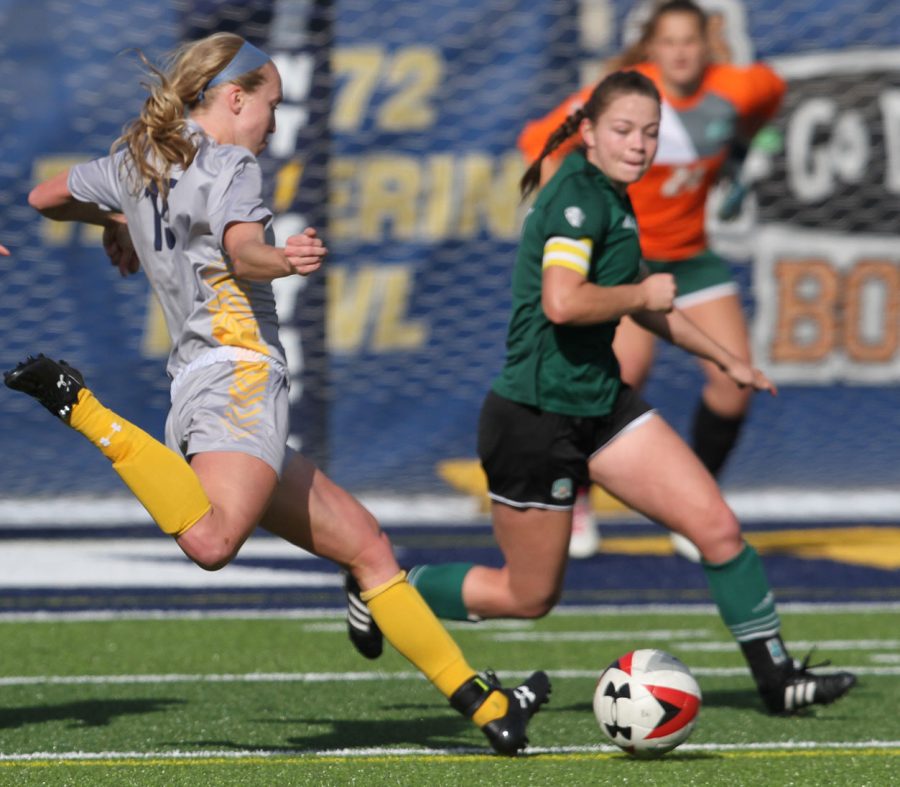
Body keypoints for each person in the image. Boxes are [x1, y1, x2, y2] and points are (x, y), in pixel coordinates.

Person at [5, 32, 549, 755]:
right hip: (240, 377)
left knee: (366, 546)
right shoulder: (232, 162)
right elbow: (240, 249)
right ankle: (83, 406)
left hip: (202, 381)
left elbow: (46, 197)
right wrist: (281, 259)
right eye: (271, 105)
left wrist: (118, 220)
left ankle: (488, 708)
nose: (272, 123)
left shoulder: (139, 161)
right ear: (234, 97)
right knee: (212, 539)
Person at [345, 69, 856, 715]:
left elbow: (645, 299)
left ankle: (778, 678)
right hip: (536, 418)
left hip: (602, 406)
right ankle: (384, 590)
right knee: (527, 596)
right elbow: (564, 302)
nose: (639, 144)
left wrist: (729, 359)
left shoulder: (614, 197)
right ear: (587, 132)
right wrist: (642, 293)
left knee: (718, 528)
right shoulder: (578, 200)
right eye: (623, 130)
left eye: (649, 132)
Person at [517, 0, 786, 561]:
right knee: (616, 382)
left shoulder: (738, 88)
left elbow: (769, 97)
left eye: (692, 41)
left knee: (734, 381)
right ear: (651, 48)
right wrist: (573, 208)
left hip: (692, 258)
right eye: (669, 42)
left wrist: (743, 148)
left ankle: (694, 508)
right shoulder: (630, 99)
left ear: (709, 44)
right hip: (627, 261)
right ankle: (578, 498)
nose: (682, 52)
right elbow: (538, 142)